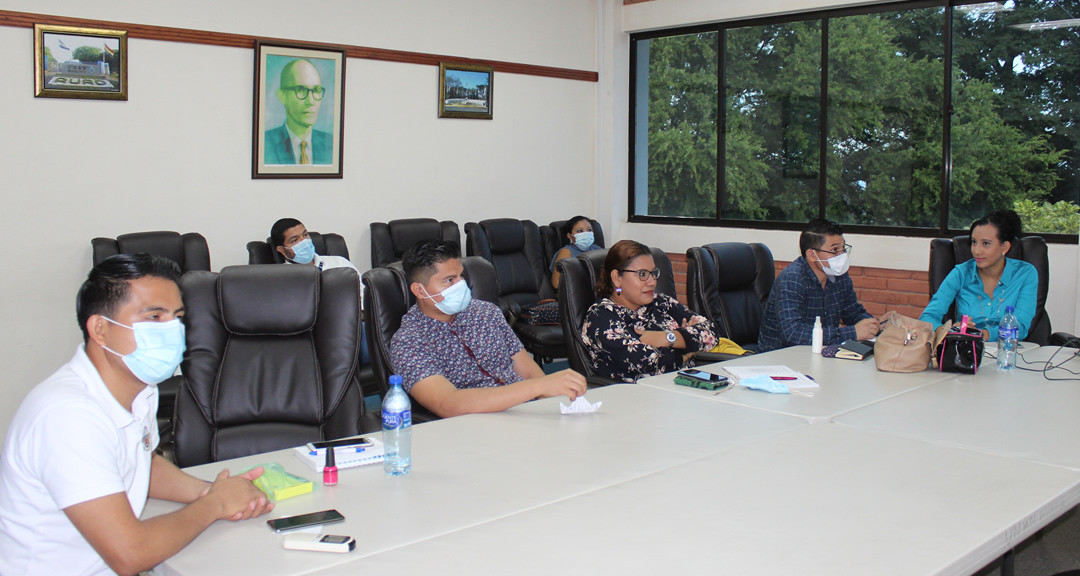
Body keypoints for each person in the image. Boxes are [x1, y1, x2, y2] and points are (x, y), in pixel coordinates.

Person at [0, 254, 274, 576]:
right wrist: (213, 505)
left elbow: (140, 460)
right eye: (154, 317)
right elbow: (130, 554)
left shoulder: (139, 388)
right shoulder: (67, 415)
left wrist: (209, 490)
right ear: (100, 329)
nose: (172, 331)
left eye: (177, 317)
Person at [390, 239, 587, 418]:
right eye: (449, 280)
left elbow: (529, 373)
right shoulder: (408, 341)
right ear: (418, 290)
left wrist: (549, 402)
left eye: (461, 276)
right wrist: (537, 387)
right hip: (476, 426)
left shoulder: (486, 313)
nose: (461, 285)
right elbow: (447, 403)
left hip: (526, 413)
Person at [581, 240, 718, 382]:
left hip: (685, 386)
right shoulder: (601, 316)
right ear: (617, 278)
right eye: (642, 274)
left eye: (653, 273)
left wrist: (665, 338)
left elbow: (711, 332)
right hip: (638, 397)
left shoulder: (661, 302)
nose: (652, 282)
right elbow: (646, 361)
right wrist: (687, 348)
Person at [757, 219, 879, 353]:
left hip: (821, 353)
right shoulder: (792, 279)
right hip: (781, 357)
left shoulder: (839, 276)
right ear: (812, 255)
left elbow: (853, 313)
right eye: (835, 250)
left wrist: (874, 325)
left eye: (843, 248)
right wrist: (853, 333)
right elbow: (792, 334)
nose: (842, 255)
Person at [920, 210, 1037, 341]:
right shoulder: (961, 273)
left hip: (1009, 351)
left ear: (1004, 247)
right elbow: (927, 317)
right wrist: (949, 331)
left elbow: (1021, 326)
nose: (977, 251)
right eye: (974, 242)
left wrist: (981, 335)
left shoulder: (1025, 273)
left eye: (986, 244)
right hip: (966, 352)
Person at [264, 58, 333, 165]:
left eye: (316, 90)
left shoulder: (332, 145)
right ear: (283, 97)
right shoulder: (264, 144)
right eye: (301, 90)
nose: (311, 101)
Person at [550, 216, 603, 289]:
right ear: (570, 236)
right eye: (580, 231)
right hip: (577, 293)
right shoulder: (566, 252)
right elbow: (557, 283)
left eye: (589, 230)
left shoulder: (597, 249)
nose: (586, 234)